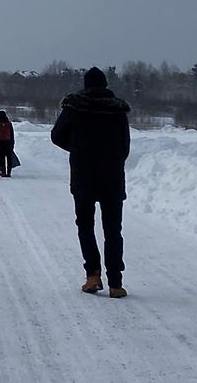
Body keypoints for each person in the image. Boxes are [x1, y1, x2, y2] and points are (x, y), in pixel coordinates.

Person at [52, 67, 132, 299]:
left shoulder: (75, 107)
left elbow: (57, 136)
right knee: (113, 230)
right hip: (112, 177)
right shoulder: (117, 110)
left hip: (83, 175)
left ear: (85, 85)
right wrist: (112, 159)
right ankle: (116, 283)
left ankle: (93, 275)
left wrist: (77, 149)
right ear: (106, 84)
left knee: (85, 225)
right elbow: (125, 146)